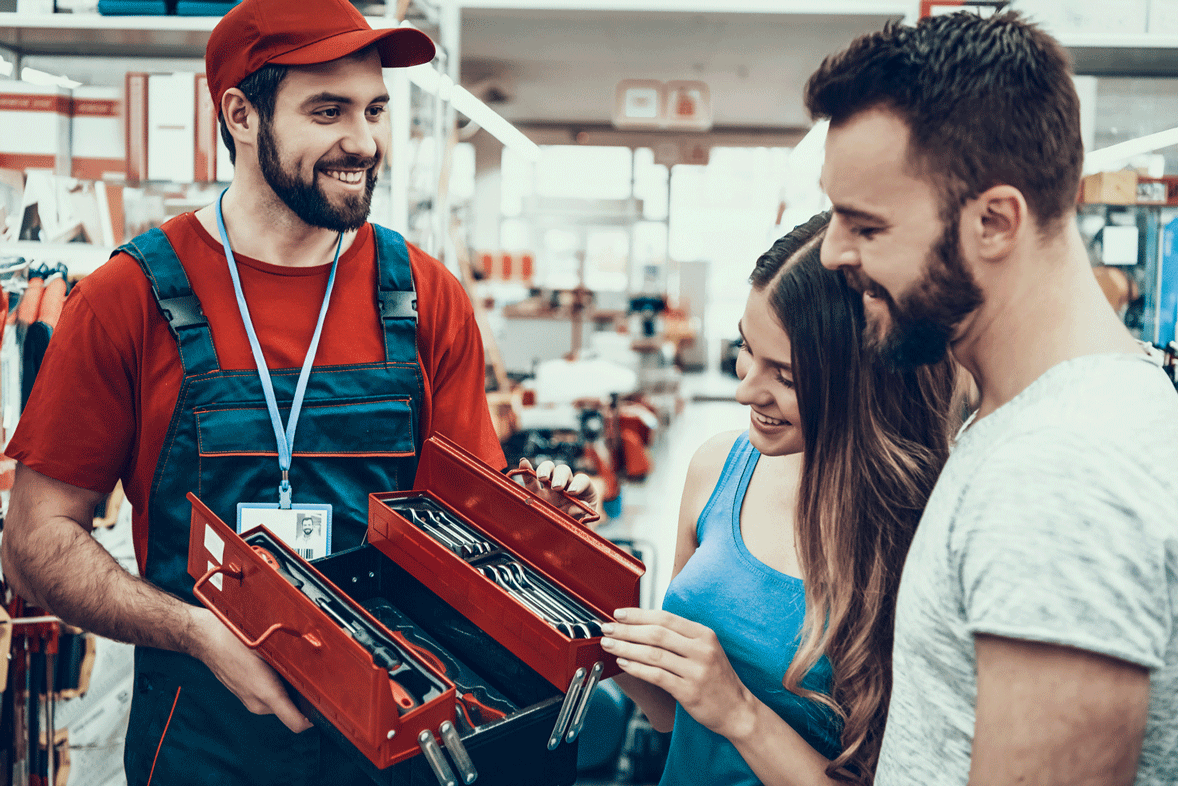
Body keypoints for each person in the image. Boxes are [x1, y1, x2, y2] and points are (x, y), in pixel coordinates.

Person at [0, 1, 589, 783]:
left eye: (374, 109)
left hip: (404, 740)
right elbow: (35, 544)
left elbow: (460, 537)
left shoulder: (423, 297)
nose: (365, 142)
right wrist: (194, 631)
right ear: (241, 116)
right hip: (203, 740)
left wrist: (530, 531)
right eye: (328, 111)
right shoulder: (128, 299)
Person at [806, 11, 1178, 785]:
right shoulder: (1028, 416)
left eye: (865, 227)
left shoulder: (1061, 472)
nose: (834, 252)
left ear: (995, 221)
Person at [601, 212, 959, 785]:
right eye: (746, 348)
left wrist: (741, 713)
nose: (745, 390)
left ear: (863, 381)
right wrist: (570, 581)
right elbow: (672, 713)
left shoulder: (920, 533)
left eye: (785, 376)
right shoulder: (719, 469)